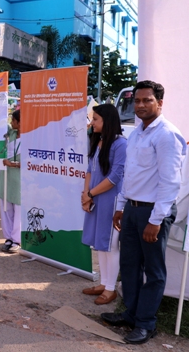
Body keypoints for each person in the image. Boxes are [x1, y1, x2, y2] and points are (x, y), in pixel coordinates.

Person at [101, 80, 186, 345]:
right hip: (131, 209)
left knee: (154, 270)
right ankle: (132, 314)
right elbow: (129, 175)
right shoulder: (137, 133)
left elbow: (170, 182)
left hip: (153, 213)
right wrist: (120, 207)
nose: (140, 105)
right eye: (136, 101)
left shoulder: (167, 135)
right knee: (129, 265)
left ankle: (147, 324)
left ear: (160, 103)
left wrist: (156, 220)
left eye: (146, 100)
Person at [80, 104, 127, 305]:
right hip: (96, 198)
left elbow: (115, 177)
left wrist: (90, 193)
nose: (92, 123)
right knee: (100, 243)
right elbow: (89, 170)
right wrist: (85, 195)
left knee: (111, 245)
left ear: (107, 121)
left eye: (96, 119)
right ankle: (104, 283)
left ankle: (110, 289)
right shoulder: (98, 141)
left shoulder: (121, 144)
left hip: (112, 201)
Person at [0, 109, 21, 253]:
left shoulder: (31, 137)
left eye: (14, 121)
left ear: (20, 122)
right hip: (6, 176)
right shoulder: (10, 134)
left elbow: (34, 162)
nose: (11, 123)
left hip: (20, 178)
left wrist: (14, 164)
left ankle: (17, 239)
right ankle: (8, 238)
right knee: (5, 207)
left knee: (18, 209)